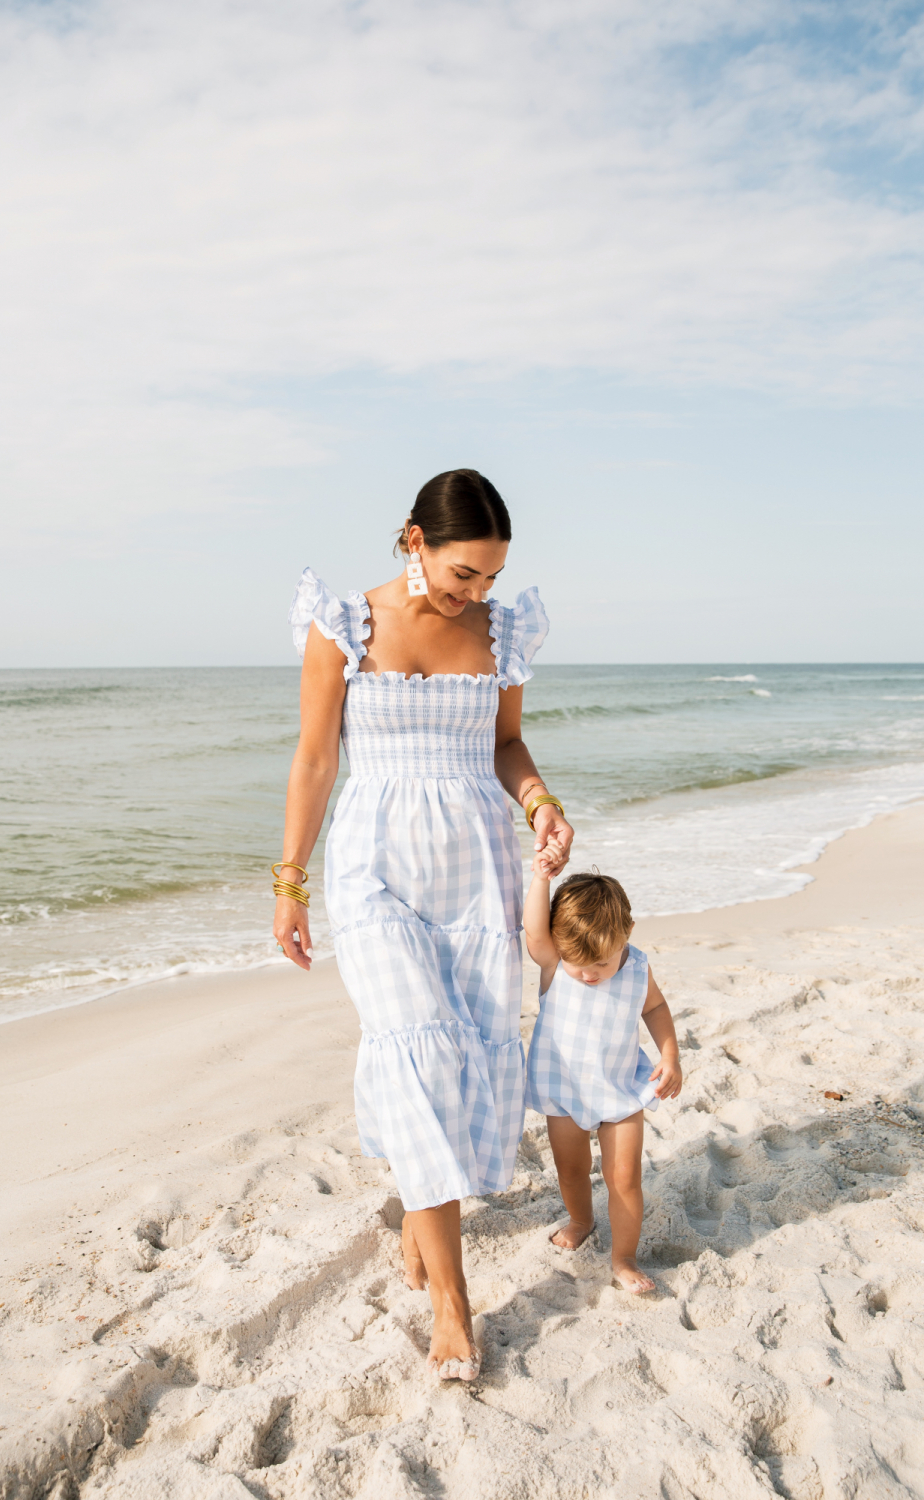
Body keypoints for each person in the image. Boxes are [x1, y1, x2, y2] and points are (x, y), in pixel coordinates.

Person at [274, 469, 574, 1380]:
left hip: (477, 865)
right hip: (374, 866)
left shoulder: (503, 630)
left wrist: (540, 802)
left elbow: (505, 744)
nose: (475, 594)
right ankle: (453, 1299)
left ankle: (422, 1207)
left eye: (488, 578)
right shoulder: (342, 625)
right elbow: (318, 759)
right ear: (415, 540)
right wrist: (289, 882)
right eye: (462, 575)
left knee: (472, 1053)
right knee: (415, 1043)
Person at [523, 849, 681, 1293]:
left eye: (602, 965)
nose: (591, 976)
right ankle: (580, 1219)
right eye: (581, 967)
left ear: (627, 934)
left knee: (624, 1178)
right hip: (563, 1090)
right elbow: (534, 930)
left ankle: (624, 1257)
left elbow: (655, 1007)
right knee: (571, 1170)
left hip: (619, 1088)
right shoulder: (555, 963)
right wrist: (540, 878)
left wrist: (670, 1055)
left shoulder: (635, 967)